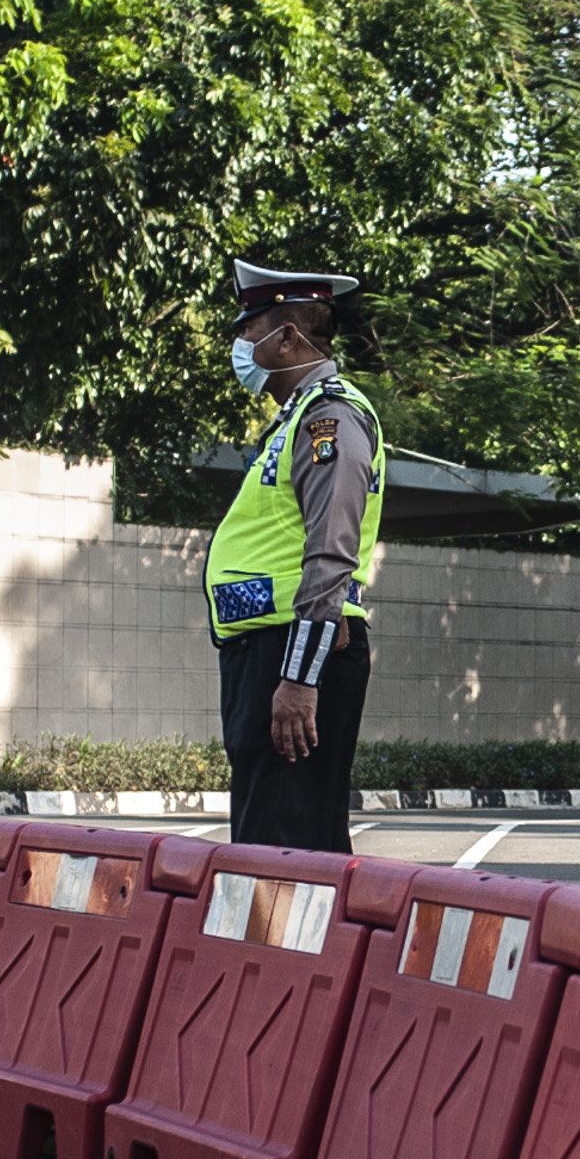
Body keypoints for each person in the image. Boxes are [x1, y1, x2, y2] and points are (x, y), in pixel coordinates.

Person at [205, 258, 386, 852]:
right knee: (272, 836)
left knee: (288, 847)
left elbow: (331, 554)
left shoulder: (328, 420)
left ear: (287, 338)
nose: (240, 343)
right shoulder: (295, 421)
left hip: (296, 654)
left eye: (250, 330)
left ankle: (288, 949)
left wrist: (300, 678)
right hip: (269, 650)